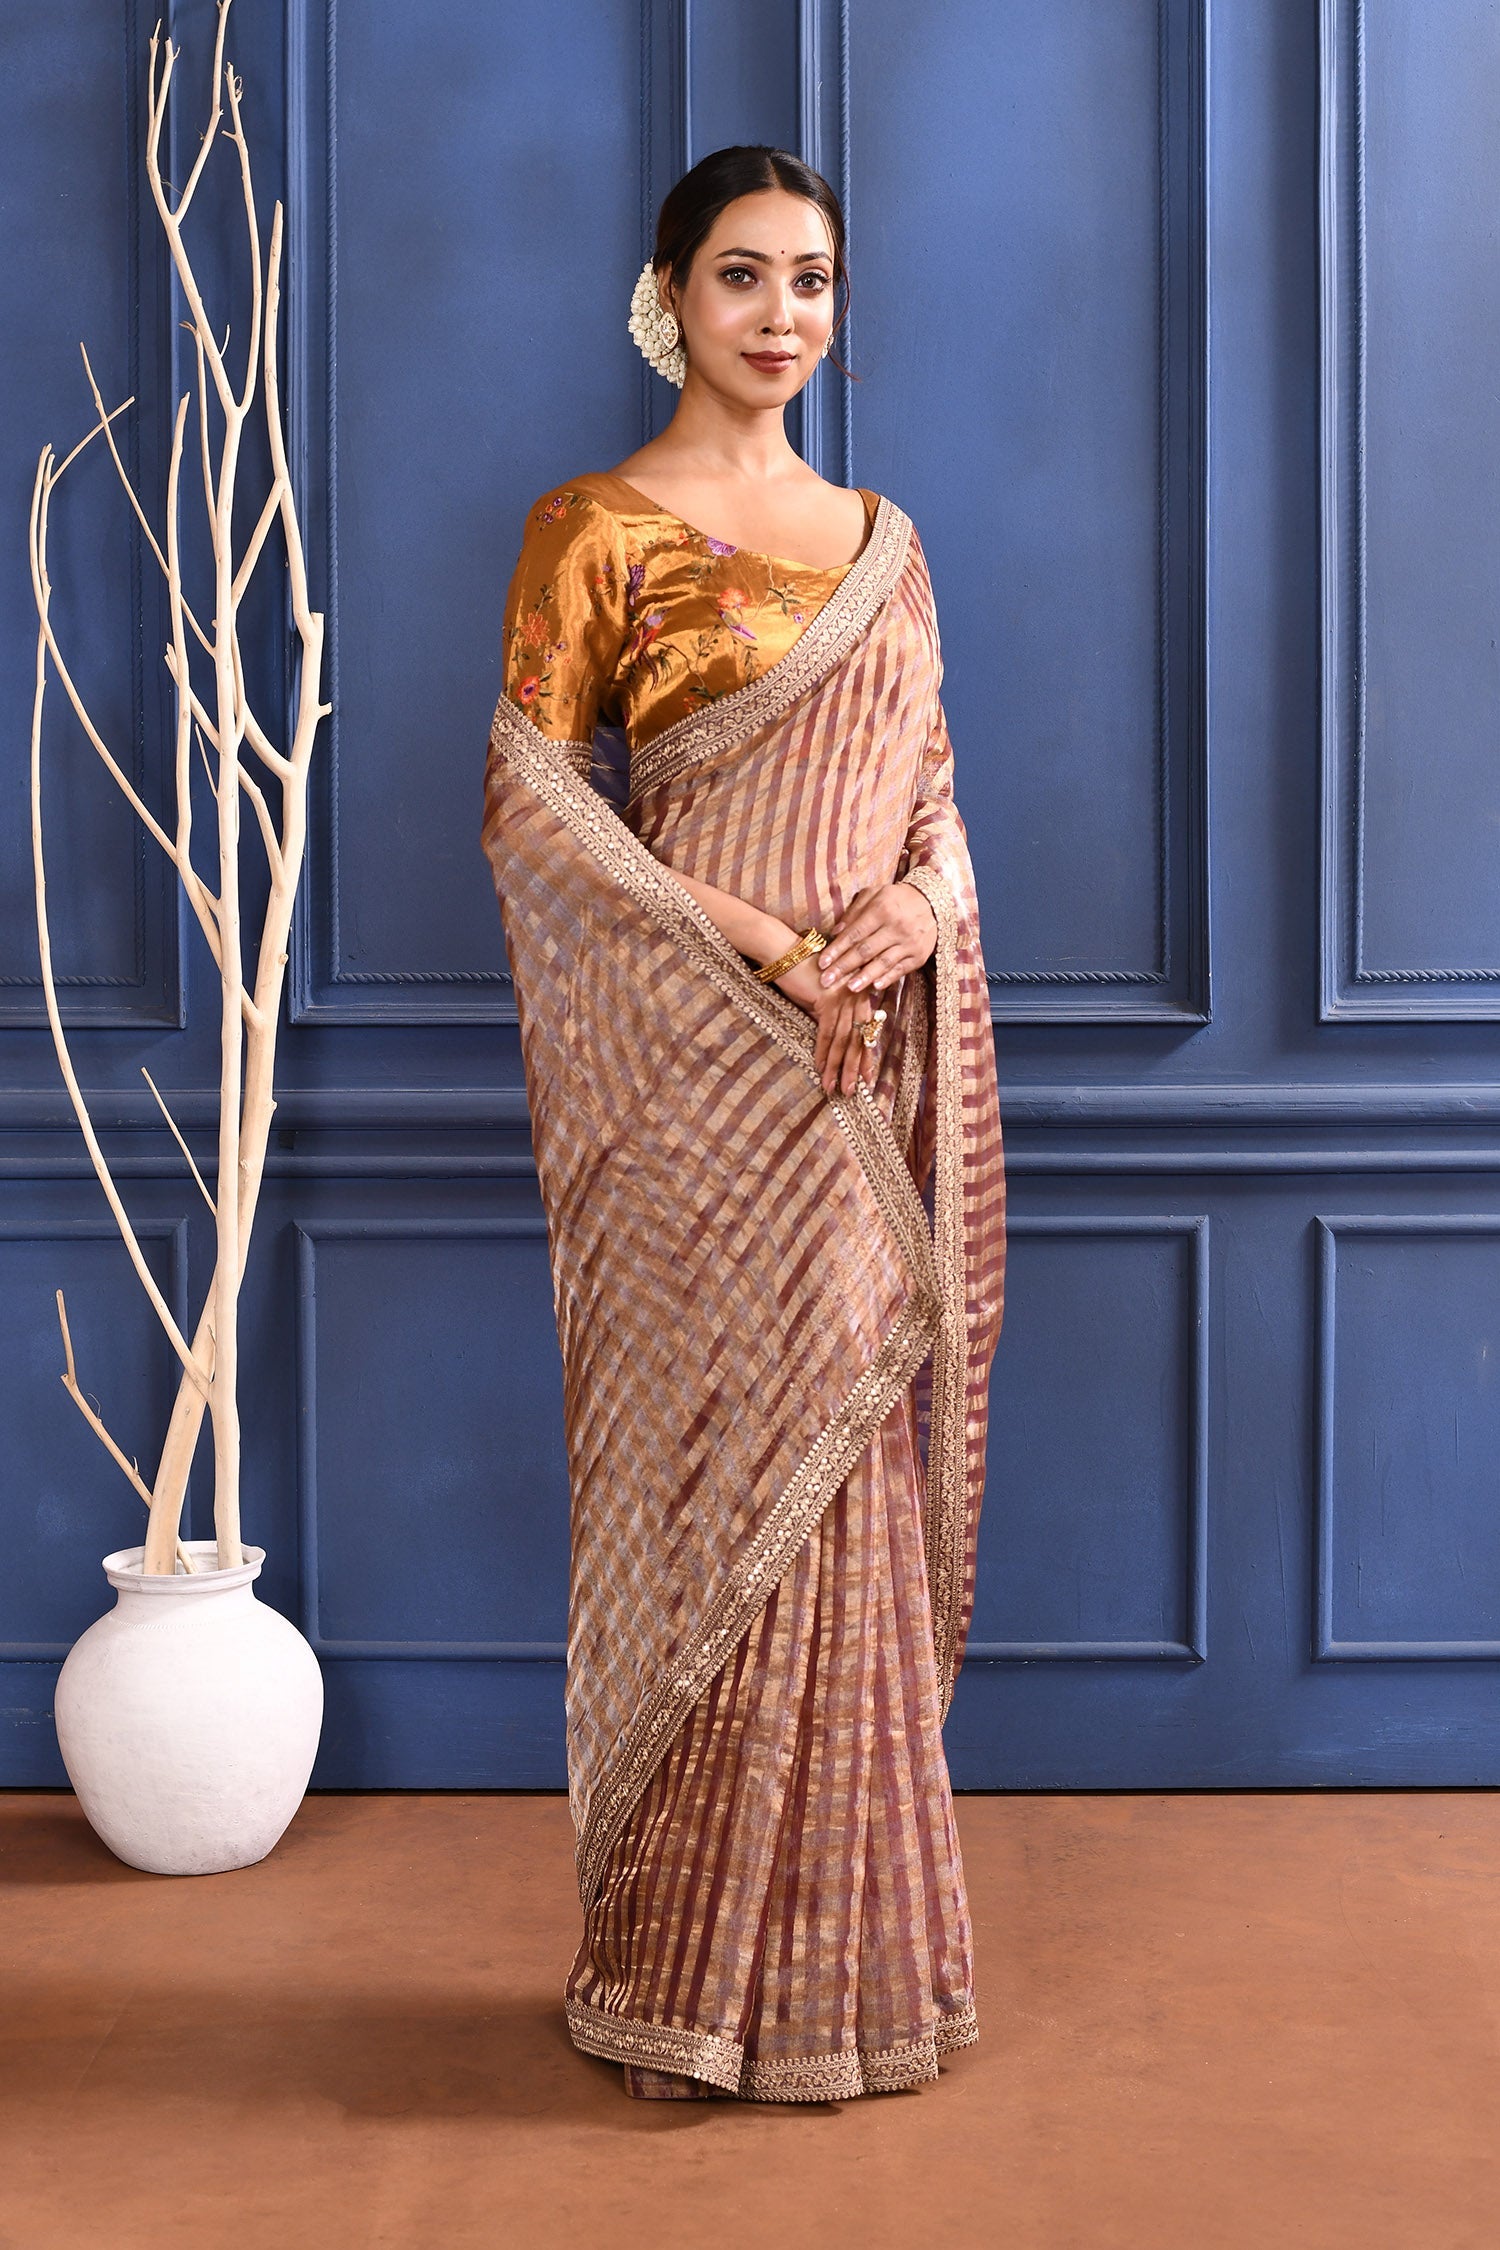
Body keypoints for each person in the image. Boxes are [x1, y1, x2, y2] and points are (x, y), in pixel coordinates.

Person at [481, 144, 1006, 2104]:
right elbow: (539, 808)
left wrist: (914, 912)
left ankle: (840, 1987)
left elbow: (937, 802)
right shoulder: (592, 530)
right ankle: (677, 1977)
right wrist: (771, 940)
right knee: (705, 1495)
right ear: (667, 298)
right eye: (741, 276)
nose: (782, 314)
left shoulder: (888, 543)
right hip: (691, 1101)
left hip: (856, 1089)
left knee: (842, 1489)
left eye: (812, 280)